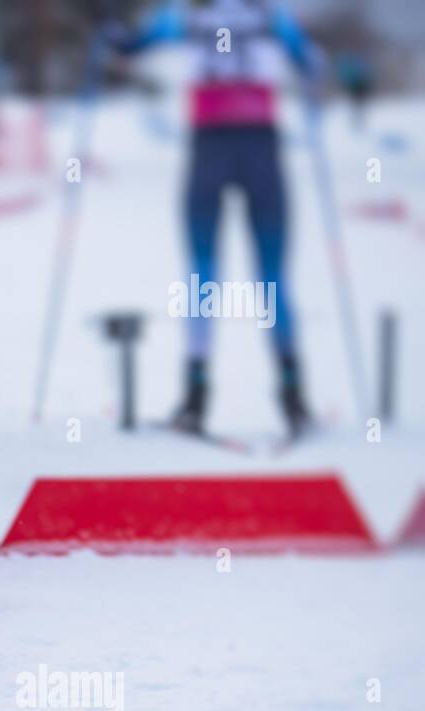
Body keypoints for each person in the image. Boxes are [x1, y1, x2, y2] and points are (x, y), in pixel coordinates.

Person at [106, 0, 323, 438]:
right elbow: (313, 64)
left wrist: (110, 34)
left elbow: (128, 47)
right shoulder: (271, 17)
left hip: (209, 147)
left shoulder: (185, 16)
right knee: (272, 277)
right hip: (261, 147)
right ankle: (293, 395)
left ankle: (195, 396)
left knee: (202, 273)